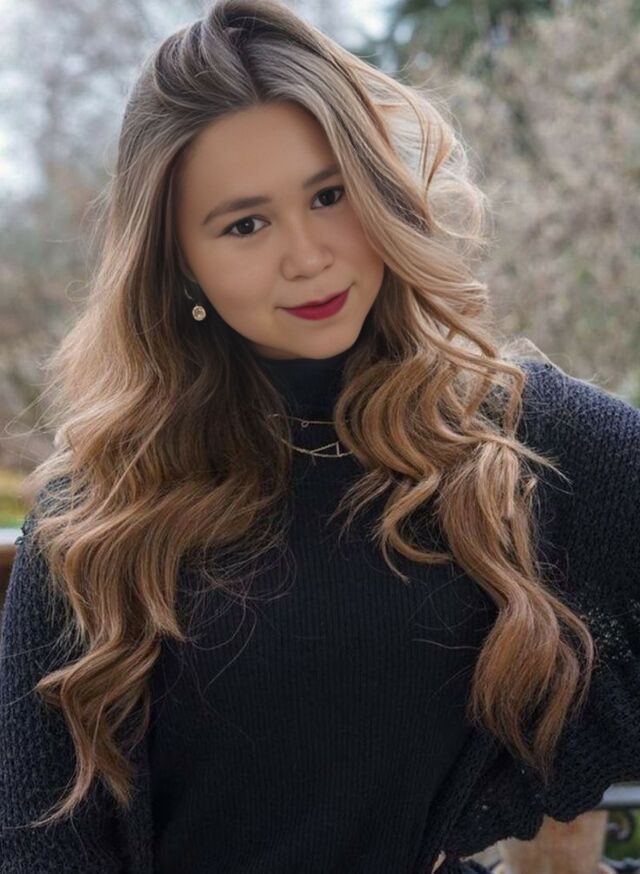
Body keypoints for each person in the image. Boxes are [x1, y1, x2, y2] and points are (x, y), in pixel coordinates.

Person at [1, 0, 639, 872]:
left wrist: (503, 801)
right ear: (180, 262)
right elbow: (40, 846)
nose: (307, 256)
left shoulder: (506, 436)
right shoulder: (97, 514)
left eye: (329, 195)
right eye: (245, 224)